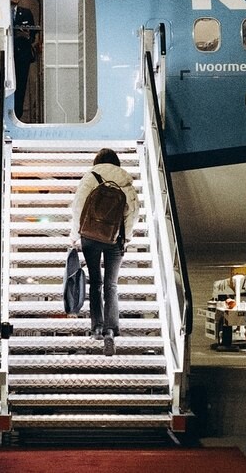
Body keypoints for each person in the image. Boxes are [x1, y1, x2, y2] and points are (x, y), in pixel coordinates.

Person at [69, 148, 139, 356]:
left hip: (90, 237)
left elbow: (78, 208)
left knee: (95, 283)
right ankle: (111, 329)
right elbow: (132, 212)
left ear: (97, 162)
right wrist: (126, 237)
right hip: (115, 239)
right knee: (111, 285)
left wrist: (75, 235)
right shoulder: (125, 180)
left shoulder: (90, 177)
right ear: (116, 162)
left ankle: (96, 328)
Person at [10, 0, 39, 120]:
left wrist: (26, 36)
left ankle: (18, 115)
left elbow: (33, 35)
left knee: (21, 87)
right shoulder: (2, 13)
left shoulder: (26, 13)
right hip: (7, 57)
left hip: (22, 57)